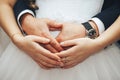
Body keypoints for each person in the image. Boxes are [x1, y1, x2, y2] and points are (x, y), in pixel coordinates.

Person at [0, 0, 120, 80]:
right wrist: (19, 38)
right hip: (28, 53)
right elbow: (4, 3)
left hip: (93, 56)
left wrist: (97, 42)